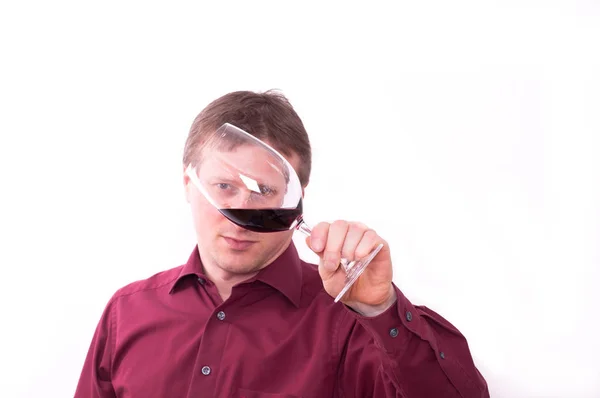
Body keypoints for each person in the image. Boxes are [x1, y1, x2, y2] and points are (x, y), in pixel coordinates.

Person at [74, 90, 489, 397]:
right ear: (188, 184)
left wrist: (379, 309)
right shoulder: (127, 312)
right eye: (223, 186)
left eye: (265, 192)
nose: (240, 214)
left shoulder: (348, 320)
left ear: (298, 198)